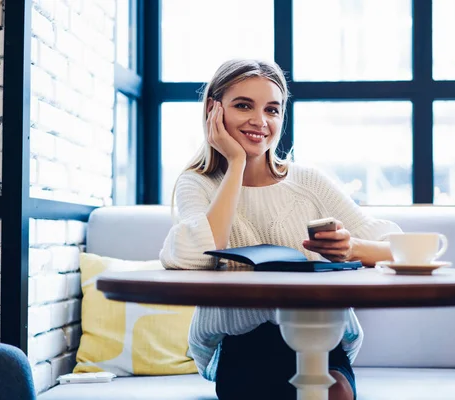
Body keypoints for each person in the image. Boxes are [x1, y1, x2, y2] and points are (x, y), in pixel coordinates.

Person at [159, 59, 402, 400]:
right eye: (244, 106)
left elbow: (399, 248)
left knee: (335, 391)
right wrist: (236, 164)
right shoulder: (198, 183)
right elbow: (195, 255)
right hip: (241, 344)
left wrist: (352, 248)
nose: (260, 121)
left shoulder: (309, 182)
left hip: (319, 337)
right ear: (214, 110)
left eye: (272, 110)